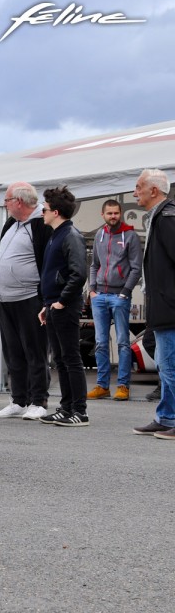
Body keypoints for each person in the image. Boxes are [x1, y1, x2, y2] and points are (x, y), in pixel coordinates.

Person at [0, 182, 52, 420]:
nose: (4, 204)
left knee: (34, 350)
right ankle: (18, 400)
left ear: (18, 201)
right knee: (12, 351)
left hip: (29, 298)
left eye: (6, 200)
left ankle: (38, 401)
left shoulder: (40, 223)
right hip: (5, 298)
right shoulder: (11, 223)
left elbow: (48, 261)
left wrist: (45, 297)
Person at [35, 186, 89, 427]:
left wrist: (61, 301)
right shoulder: (56, 235)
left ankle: (79, 410)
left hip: (64, 306)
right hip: (54, 305)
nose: (41, 212)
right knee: (61, 359)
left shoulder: (71, 236)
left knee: (71, 358)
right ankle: (67, 408)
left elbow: (78, 274)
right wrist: (48, 304)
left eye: (44, 208)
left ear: (55, 212)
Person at [130, 169, 175, 439]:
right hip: (163, 305)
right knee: (165, 364)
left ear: (154, 191)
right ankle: (166, 416)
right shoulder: (160, 216)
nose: (135, 192)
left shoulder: (168, 216)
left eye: (138, 187)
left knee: (169, 365)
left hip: (170, 306)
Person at [87, 199, 142, 401]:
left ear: (121, 214)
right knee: (100, 342)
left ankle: (123, 386)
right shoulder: (100, 235)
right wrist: (92, 290)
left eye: (116, 213)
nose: (113, 216)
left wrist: (125, 292)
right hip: (99, 296)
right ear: (103, 215)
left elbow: (136, 268)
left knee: (122, 342)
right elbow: (94, 265)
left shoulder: (130, 236)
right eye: (109, 213)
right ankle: (102, 386)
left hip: (120, 296)